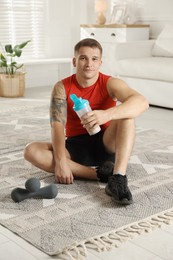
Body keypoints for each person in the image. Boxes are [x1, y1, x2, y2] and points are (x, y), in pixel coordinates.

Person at [24, 38, 149, 205]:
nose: (89, 63)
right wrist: (61, 162)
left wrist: (106, 114)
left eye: (94, 59)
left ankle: (118, 177)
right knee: (31, 151)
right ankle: (100, 175)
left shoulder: (110, 83)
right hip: (76, 147)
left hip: (106, 142)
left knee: (127, 116)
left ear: (100, 63)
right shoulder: (62, 87)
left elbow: (142, 102)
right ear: (75, 61)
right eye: (83, 58)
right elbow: (57, 126)